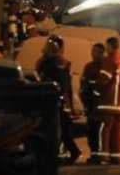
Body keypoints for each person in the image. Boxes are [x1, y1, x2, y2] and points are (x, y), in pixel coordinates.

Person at [36, 35, 81, 164]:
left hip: (54, 101)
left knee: (58, 129)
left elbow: (64, 84)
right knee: (61, 129)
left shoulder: (56, 63)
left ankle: (64, 153)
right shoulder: (55, 62)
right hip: (54, 101)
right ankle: (69, 152)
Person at [97, 36, 120, 165]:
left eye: (107, 46)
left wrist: (95, 92)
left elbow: (103, 80)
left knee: (105, 129)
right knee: (116, 131)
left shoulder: (109, 60)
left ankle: (104, 156)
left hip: (109, 102)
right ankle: (116, 156)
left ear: (110, 46)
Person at [81, 43, 105, 164]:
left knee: (99, 130)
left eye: (95, 51)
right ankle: (94, 153)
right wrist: (84, 101)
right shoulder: (88, 67)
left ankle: (99, 155)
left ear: (101, 53)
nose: (92, 53)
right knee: (91, 130)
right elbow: (84, 84)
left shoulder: (105, 67)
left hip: (100, 104)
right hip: (91, 104)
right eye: (92, 51)